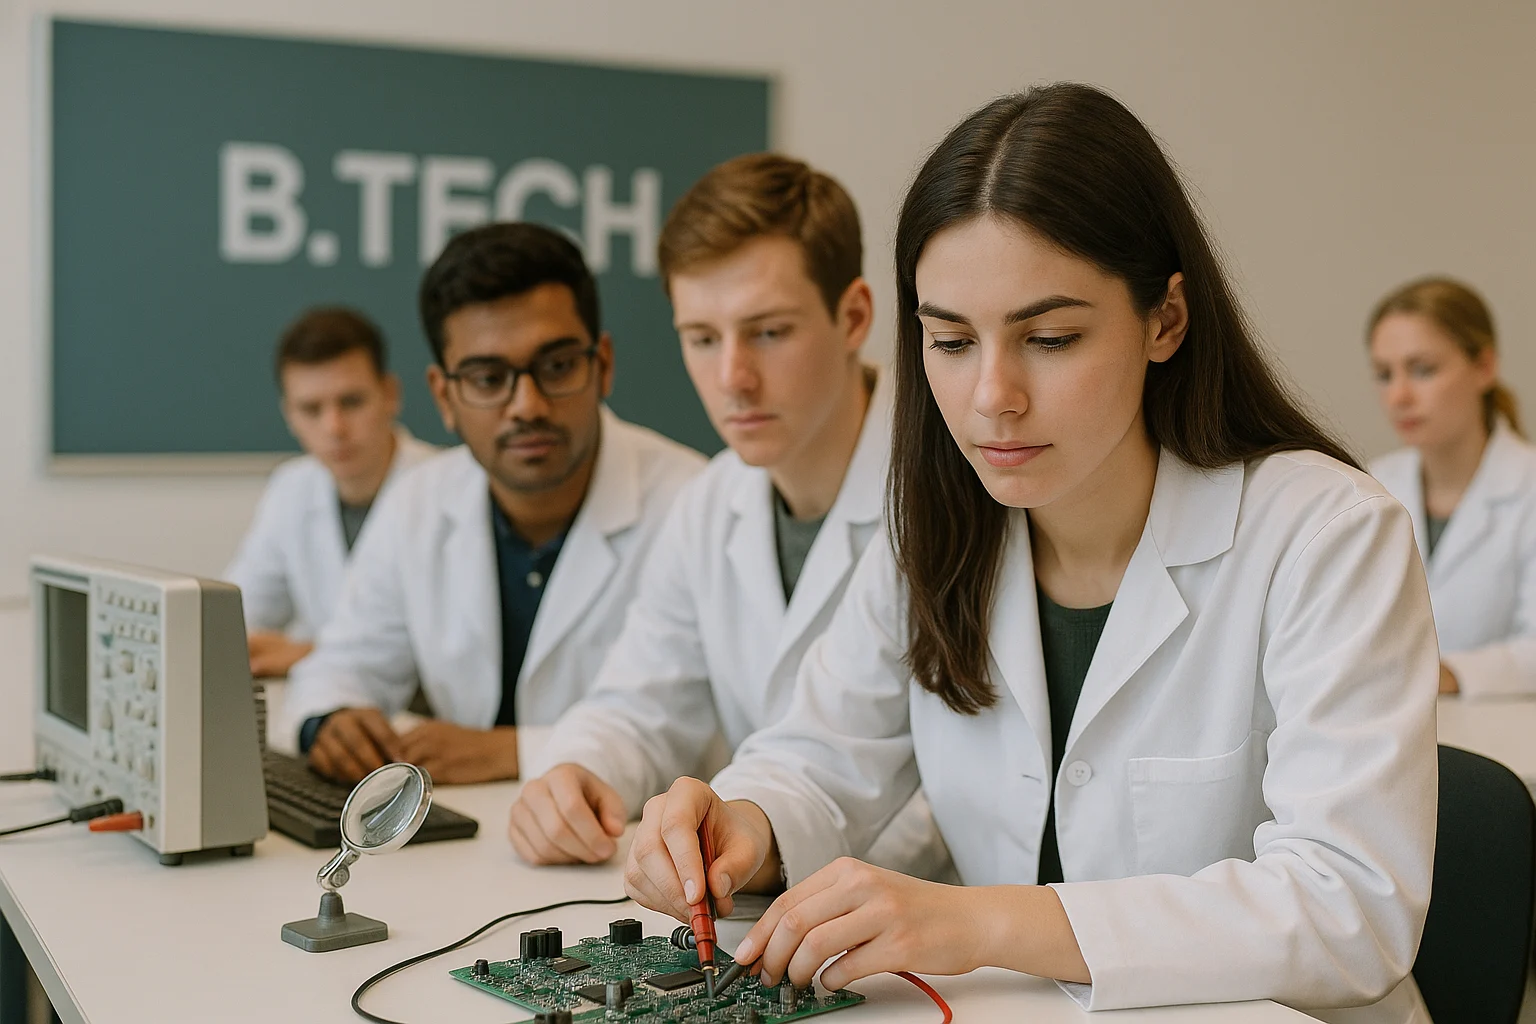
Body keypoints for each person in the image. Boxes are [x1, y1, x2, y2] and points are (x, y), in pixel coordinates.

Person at [621, 85, 1438, 1024]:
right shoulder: (933, 522)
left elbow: (1349, 910)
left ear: (1166, 319)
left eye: (1049, 338)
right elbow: (822, 755)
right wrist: (741, 825)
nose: (992, 397)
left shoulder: (1325, 533)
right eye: (952, 341)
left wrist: (986, 924)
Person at [509, 154, 949, 880]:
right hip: (776, 894)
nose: (732, 379)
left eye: (769, 332)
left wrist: (762, 844)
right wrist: (576, 772)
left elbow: (957, 790)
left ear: (854, 317)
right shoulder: (713, 502)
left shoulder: (954, 487)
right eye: (703, 338)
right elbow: (640, 700)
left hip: (938, 919)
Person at [280, 223, 706, 784]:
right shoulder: (418, 502)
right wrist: (331, 721)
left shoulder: (692, 503)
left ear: (601, 365)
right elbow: (342, 661)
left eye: (556, 367)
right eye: (488, 378)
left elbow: (686, 727)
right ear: (444, 396)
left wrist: (509, 753)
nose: (526, 405)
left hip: (635, 850)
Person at [225, 308, 436, 678]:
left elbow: (453, 654)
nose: (334, 427)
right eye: (311, 409)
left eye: (351, 402)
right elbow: (234, 619)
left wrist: (306, 653)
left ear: (390, 395)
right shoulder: (291, 489)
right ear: (288, 414)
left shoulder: (445, 489)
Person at [1367, 277, 1536, 697]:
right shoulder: (1369, 485)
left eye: (1422, 369)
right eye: (1385, 374)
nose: (1399, 395)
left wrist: (1448, 675)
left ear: (1484, 367)